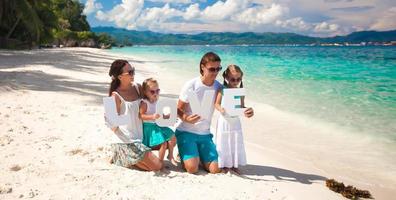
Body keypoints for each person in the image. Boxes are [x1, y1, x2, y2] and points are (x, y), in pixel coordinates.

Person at [106, 59, 163, 171]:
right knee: (157, 166)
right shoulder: (114, 96)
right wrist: (123, 119)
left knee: (167, 141)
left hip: (142, 136)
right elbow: (112, 126)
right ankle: (120, 155)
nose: (133, 74)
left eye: (133, 70)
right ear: (120, 77)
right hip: (127, 140)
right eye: (130, 72)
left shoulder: (137, 87)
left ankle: (133, 157)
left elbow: (150, 101)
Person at [175, 52, 223, 174]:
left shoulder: (219, 87)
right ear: (202, 67)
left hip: (205, 134)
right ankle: (182, 153)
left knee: (215, 169)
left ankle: (198, 153)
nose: (216, 72)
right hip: (186, 132)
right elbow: (178, 109)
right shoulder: (191, 85)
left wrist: (246, 111)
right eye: (212, 69)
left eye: (218, 69)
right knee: (192, 169)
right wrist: (186, 118)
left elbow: (230, 108)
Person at [214, 64, 254, 174]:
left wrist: (247, 111)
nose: (235, 81)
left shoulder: (240, 91)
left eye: (238, 79)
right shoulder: (222, 90)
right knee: (224, 142)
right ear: (226, 78)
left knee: (234, 141)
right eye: (233, 79)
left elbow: (241, 106)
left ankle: (234, 164)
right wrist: (220, 109)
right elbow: (216, 104)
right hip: (225, 121)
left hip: (235, 121)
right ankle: (225, 164)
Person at [139, 78, 177, 165]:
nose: (155, 93)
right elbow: (140, 115)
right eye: (152, 91)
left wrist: (167, 116)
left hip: (157, 125)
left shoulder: (157, 102)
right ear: (145, 92)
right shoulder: (145, 103)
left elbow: (159, 115)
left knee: (172, 137)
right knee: (162, 143)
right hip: (149, 127)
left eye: (157, 91)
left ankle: (170, 155)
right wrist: (152, 116)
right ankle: (160, 162)